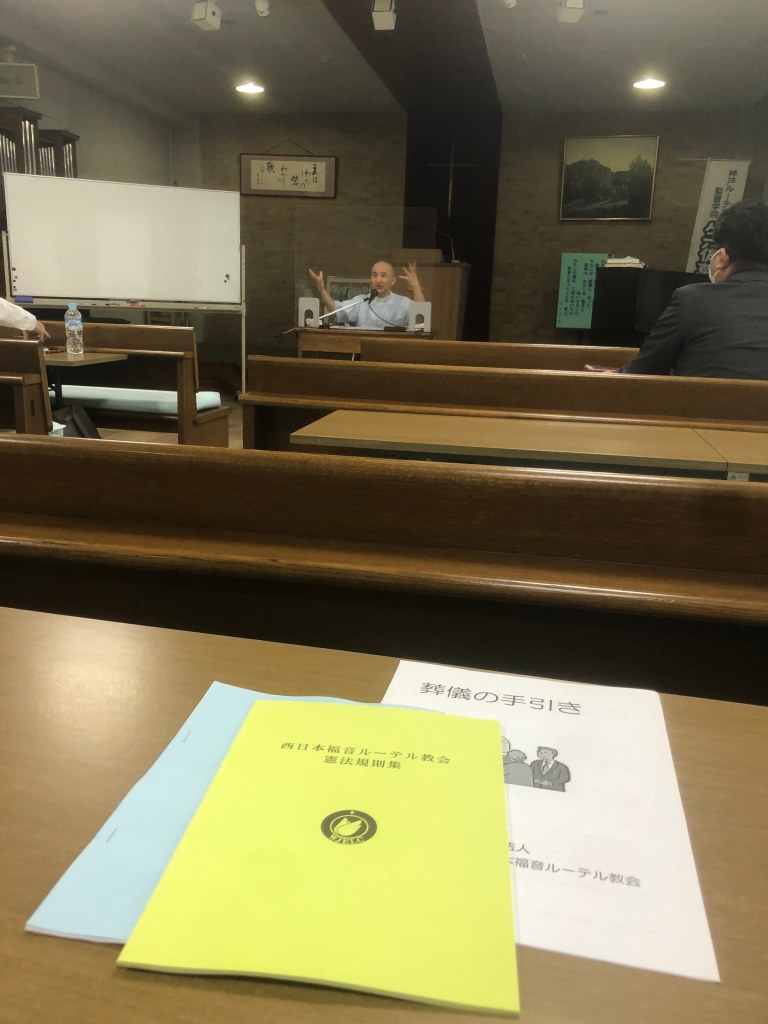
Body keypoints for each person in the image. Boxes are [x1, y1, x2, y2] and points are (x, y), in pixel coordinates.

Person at [585, 199, 768, 379]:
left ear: (722, 258)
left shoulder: (692, 299)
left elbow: (648, 370)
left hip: (703, 400)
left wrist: (618, 373)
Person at [308, 260, 425, 330]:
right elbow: (335, 309)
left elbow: (421, 317)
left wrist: (416, 286)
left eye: (383, 275)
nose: (378, 280)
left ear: (393, 281)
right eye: (374, 275)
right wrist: (321, 289)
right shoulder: (362, 301)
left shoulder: (402, 302)